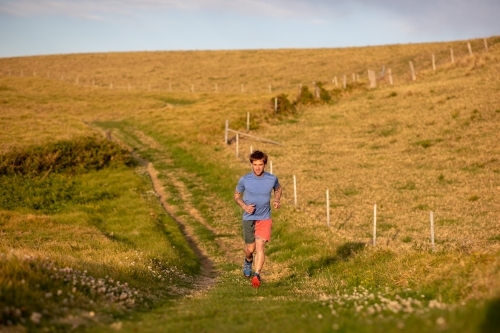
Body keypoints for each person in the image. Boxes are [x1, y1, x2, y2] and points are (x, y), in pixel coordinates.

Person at [234, 150, 282, 288]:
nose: (257, 167)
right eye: (255, 164)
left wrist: (277, 200)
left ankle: (257, 275)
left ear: (265, 164)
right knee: (250, 248)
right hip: (249, 217)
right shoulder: (245, 179)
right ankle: (248, 260)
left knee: (260, 246)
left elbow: (278, 189)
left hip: (264, 217)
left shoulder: (271, 179)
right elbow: (236, 195)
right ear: (251, 164)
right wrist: (244, 206)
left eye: (260, 164)